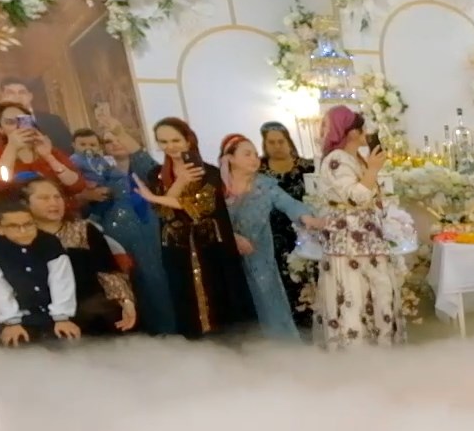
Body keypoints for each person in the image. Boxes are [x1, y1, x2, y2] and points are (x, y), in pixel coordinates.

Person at [133, 117, 254, 339]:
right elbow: (163, 212)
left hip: (210, 246)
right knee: (185, 299)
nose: (170, 146)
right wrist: (178, 183)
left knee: (220, 299)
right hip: (177, 248)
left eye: (175, 140)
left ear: (188, 140)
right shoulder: (156, 174)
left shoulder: (208, 172)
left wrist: (155, 198)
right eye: (163, 142)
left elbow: (200, 206)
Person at [309, 106, 407, 350]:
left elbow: (371, 194)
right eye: (362, 128)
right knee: (354, 295)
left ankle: (381, 347)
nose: (367, 133)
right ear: (352, 132)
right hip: (349, 240)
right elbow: (355, 197)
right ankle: (356, 354)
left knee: (379, 292)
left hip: (367, 235)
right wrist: (373, 170)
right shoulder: (336, 160)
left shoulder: (354, 158)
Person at [219, 134, 318, 341]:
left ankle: (280, 351)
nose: (254, 159)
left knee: (270, 301)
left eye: (256, 154)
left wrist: (308, 218)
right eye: (247, 154)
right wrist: (232, 237)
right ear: (230, 158)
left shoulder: (265, 185)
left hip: (260, 258)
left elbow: (289, 203)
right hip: (227, 262)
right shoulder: (217, 188)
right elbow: (209, 220)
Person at [83, 127, 174, 336]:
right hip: (117, 232)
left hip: (151, 228)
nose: (115, 143)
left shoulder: (147, 169)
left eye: (119, 138)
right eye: (108, 141)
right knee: (129, 280)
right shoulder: (100, 175)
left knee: (157, 277)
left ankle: (169, 329)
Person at [22, 175, 136, 335]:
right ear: (25, 203)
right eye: (44, 198)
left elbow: (108, 271)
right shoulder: (18, 235)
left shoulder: (83, 229)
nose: (54, 203)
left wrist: (126, 301)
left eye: (57, 197)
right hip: (39, 310)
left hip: (87, 307)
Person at [0, 198, 80, 347]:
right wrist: (11, 321)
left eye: (28, 224)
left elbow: (61, 280)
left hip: (51, 313)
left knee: (67, 340)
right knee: (16, 344)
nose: (23, 231)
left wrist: (62, 317)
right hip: (12, 316)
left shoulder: (49, 242)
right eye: (14, 226)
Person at [260, 121, 316, 328]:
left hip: (307, 227)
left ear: (289, 142)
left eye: (280, 141)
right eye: (271, 142)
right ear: (265, 144)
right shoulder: (260, 171)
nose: (276, 146)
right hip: (276, 233)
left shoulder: (308, 167)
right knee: (284, 275)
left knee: (309, 270)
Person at [0, 101, 88, 204]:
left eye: (22, 121)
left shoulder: (51, 152)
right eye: (10, 122)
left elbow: (77, 185)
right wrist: (12, 148)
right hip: (18, 214)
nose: (18, 127)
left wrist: (49, 157)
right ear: (0, 130)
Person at [0, 76, 75, 153]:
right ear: (2, 97)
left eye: (22, 92)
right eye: (10, 93)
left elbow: (69, 150)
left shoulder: (53, 121)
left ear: (30, 96)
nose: (17, 96)